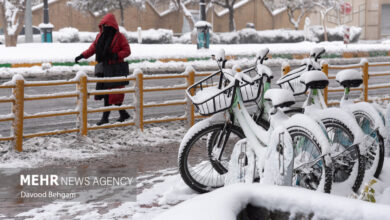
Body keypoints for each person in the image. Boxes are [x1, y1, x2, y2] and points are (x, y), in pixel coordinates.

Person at [75, 13, 131, 125]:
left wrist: (116, 55)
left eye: (108, 25)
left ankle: (105, 118)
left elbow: (127, 51)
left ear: (113, 26)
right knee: (110, 94)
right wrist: (82, 55)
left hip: (115, 69)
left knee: (111, 94)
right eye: (104, 25)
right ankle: (123, 114)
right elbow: (93, 48)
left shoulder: (120, 37)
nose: (106, 28)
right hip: (104, 69)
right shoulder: (99, 36)